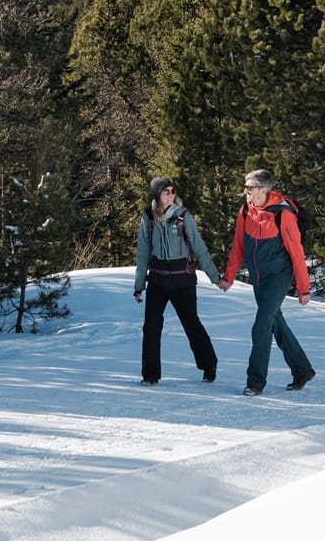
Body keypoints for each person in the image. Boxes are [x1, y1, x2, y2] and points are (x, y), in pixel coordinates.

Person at [218, 169, 315, 396]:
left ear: (264, 189)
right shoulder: (245, 211)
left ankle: (255, 382)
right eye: (246, 187)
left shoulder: (283, 214)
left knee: (261, 326)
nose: (246, 192)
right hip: (258, 279)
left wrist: (303, 288)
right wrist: (229, 277)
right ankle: (302, 369)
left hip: (278, 277)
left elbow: (297, 253)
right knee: (275, 324)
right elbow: (238, 246)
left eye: (250, 188)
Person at [132, 177, 222, 385]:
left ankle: (209, 364)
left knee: (191, 324)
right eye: (167, 191)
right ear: (157, 195)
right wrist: (139, 286)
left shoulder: (183, 217)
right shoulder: (147, 219)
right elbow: (143, 253)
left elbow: (199, 247)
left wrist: (214, 277)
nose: (171, 194)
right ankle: (150, 375)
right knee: (151, 327)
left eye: (173, 191)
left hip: (183, 279)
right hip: (157, 279)